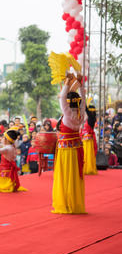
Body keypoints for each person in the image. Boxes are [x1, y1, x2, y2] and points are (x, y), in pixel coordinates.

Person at [52, 73, 86, 214]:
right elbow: (83, 100)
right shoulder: (81, 113)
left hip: (66, 151)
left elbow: (62, 98)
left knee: (65, 177)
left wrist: (67, 82)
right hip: (76, 148)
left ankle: (65, 203)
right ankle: (73, 202)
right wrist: (79, 84)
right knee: (74, 177)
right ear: (77, 102)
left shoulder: (67, 114)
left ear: (67, 101)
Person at [81, 104, 98, 175]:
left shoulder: (91, 117)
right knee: (87, 154)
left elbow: (86, 110)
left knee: (87, 154)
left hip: (88, 140)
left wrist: (83, 103)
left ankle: (87, 169)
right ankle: (87, 168)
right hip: (87, 139)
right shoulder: (91, 118)